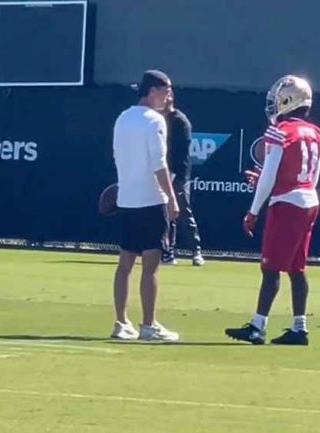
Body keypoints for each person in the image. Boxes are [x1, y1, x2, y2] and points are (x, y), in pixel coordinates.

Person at [225, 75, 320, 346]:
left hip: (287, 202)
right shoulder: (315, 132)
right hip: (309, 199)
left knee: (270, 268)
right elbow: (312, 175)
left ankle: (258, 326)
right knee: (297, 268)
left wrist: (253, 210)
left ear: (287, 101)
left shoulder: (280, 131)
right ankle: (299, 327)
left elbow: (269, 175)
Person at [110, 69, 181, 342]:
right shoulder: (155, 121)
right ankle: (148, 326)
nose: (169, 96)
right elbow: (159, 165)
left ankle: (121, 323)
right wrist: (172, 198)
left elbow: (119, 157)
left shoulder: (122, 118)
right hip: (151, 201)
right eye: (166, 91)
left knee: (125, 263)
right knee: (150, 265)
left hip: (127, 200)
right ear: (152, 91)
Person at [158, 80, 204, 266]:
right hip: (161, 174)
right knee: (166, 216)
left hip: (179, 176)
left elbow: (181, 154)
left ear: (170, 99)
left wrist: (174, 175)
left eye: (167, 96)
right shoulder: (157, 121)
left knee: (182, 212)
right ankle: (168, 253)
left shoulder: (180, 121)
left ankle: (196, 252)